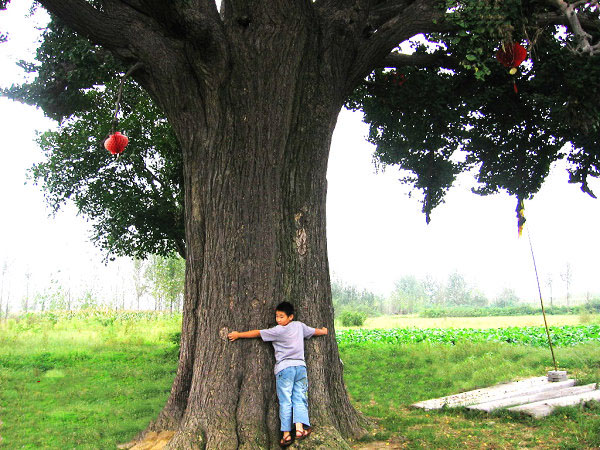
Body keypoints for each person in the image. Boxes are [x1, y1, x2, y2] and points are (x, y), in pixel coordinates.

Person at [228, 301, 328, 447]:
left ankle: (287, 433)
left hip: (285, 369)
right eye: (277, 316)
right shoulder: (299, 326)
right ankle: (300, 428)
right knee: (299, 397)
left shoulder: (277, 331)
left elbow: (257, 333)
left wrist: (238, 335)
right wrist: (324, 331)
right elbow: (314, 331)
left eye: (281, 317)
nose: (278, 320)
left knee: (286, 400)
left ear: (290, 317)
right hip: (300, 368)